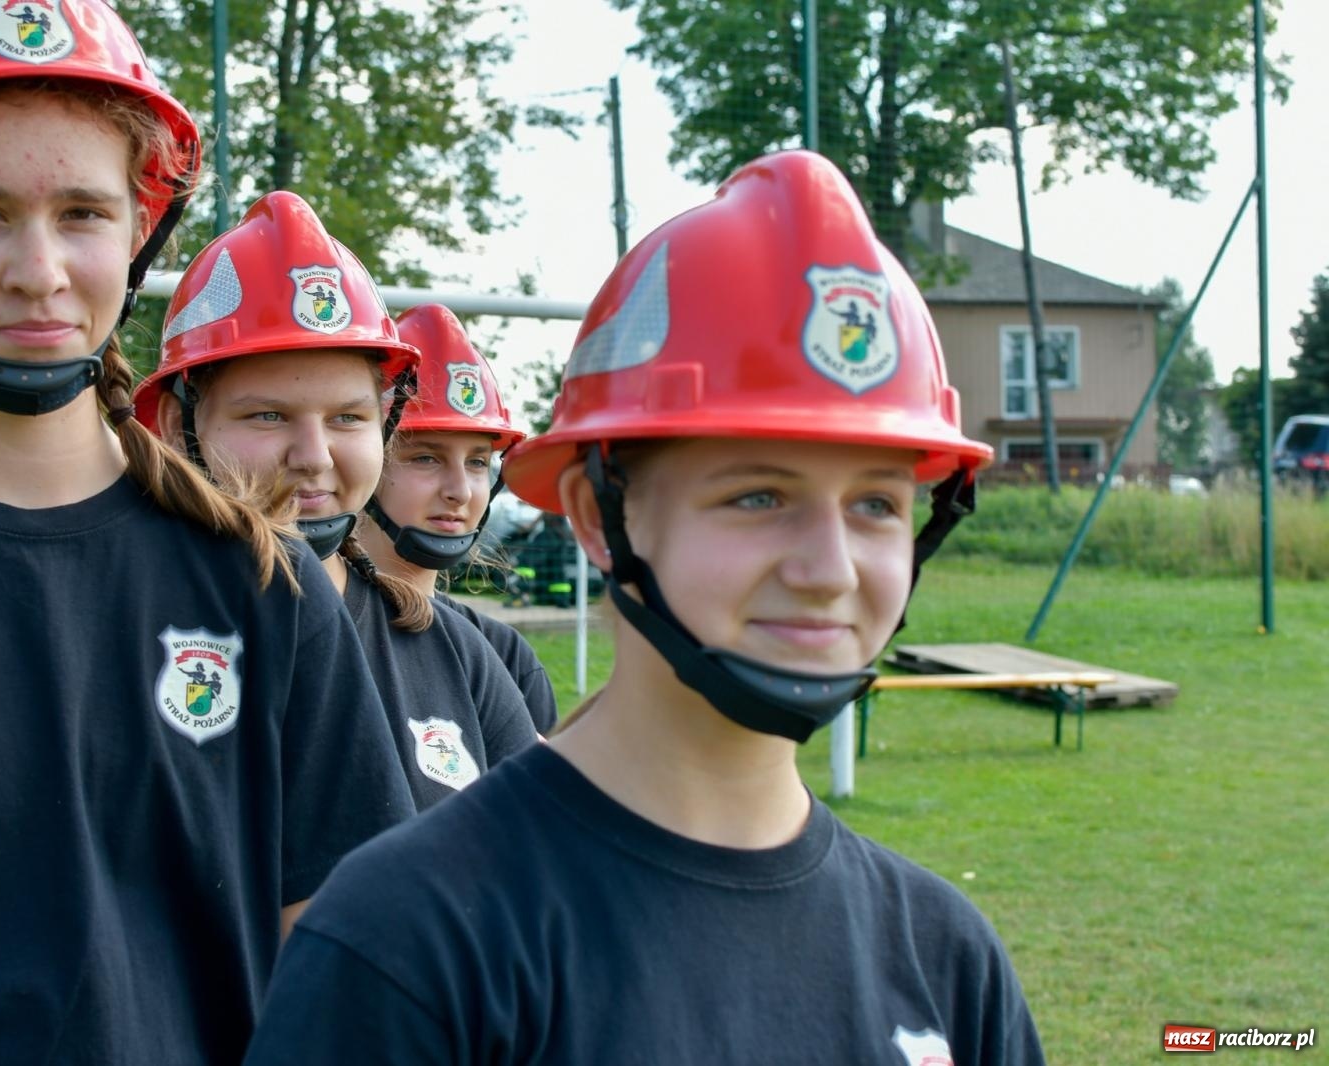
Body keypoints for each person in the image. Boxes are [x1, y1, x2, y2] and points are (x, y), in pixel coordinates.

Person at [244, 150, 1046, 1064]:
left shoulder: (950, 965)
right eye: (758, 497)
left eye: (876, 505)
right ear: (598, 515)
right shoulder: (408, 941)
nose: (831, 570)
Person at [0, 1, 413, 1061]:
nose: (38, 270)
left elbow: (353, 998)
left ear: (142, 233)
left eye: (84, 213)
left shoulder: (261, 588)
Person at [134, 192, 539, 811]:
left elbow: (534, 877)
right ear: (174, 422)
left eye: (347, 418)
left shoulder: (456, 655)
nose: (315, 456)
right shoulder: (107, 622)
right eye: (268, 415)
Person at [359, 303, 558, 734]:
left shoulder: (506, 655)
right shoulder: (313, 628)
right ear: (365, 460)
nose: (460, 491)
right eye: (426, 457)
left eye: (477, 462)